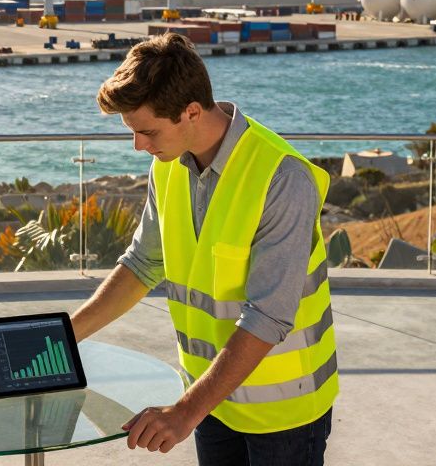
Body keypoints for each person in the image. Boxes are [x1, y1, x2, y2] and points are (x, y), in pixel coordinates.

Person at [69, 32, 337, 465]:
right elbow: (142, 265)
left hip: (283, 411)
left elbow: (269, 316)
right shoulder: (169, 165)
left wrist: (184, 413)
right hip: (210, 396)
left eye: (146, 131)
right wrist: (63, 339)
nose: (138, 145)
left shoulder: (283, 177)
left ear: (191, 111)